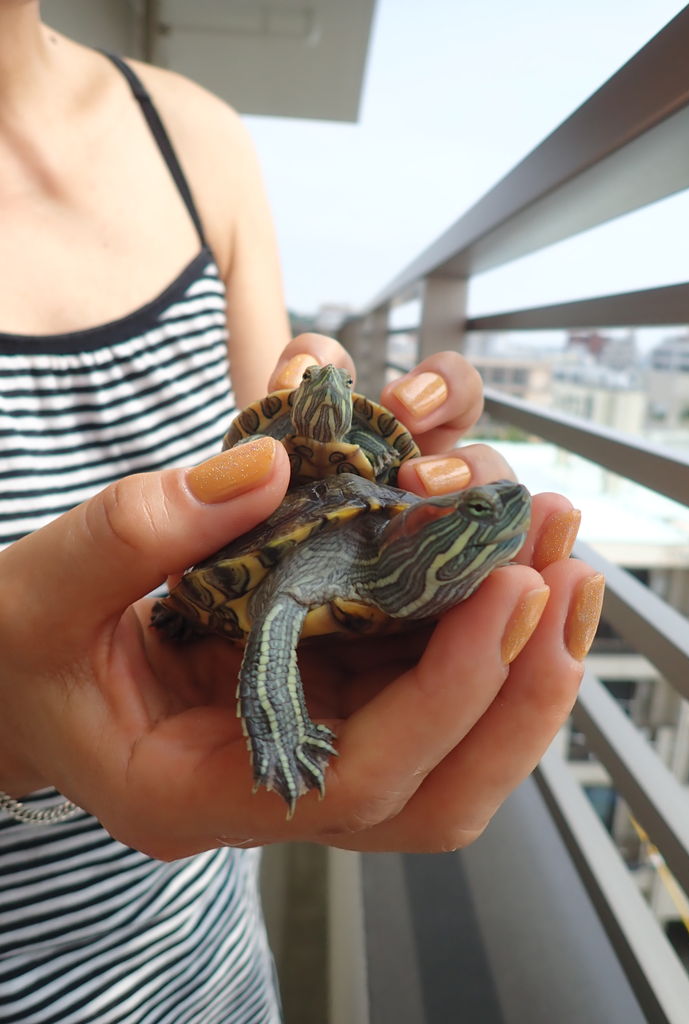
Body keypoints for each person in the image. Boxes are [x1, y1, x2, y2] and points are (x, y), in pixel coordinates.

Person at [0, 6, 604, 1023]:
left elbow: (270, 456)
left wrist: (342, 407)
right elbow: (279, 601)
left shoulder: (196, 142)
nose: (485, 516)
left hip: (211, 971)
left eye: (475, 522)